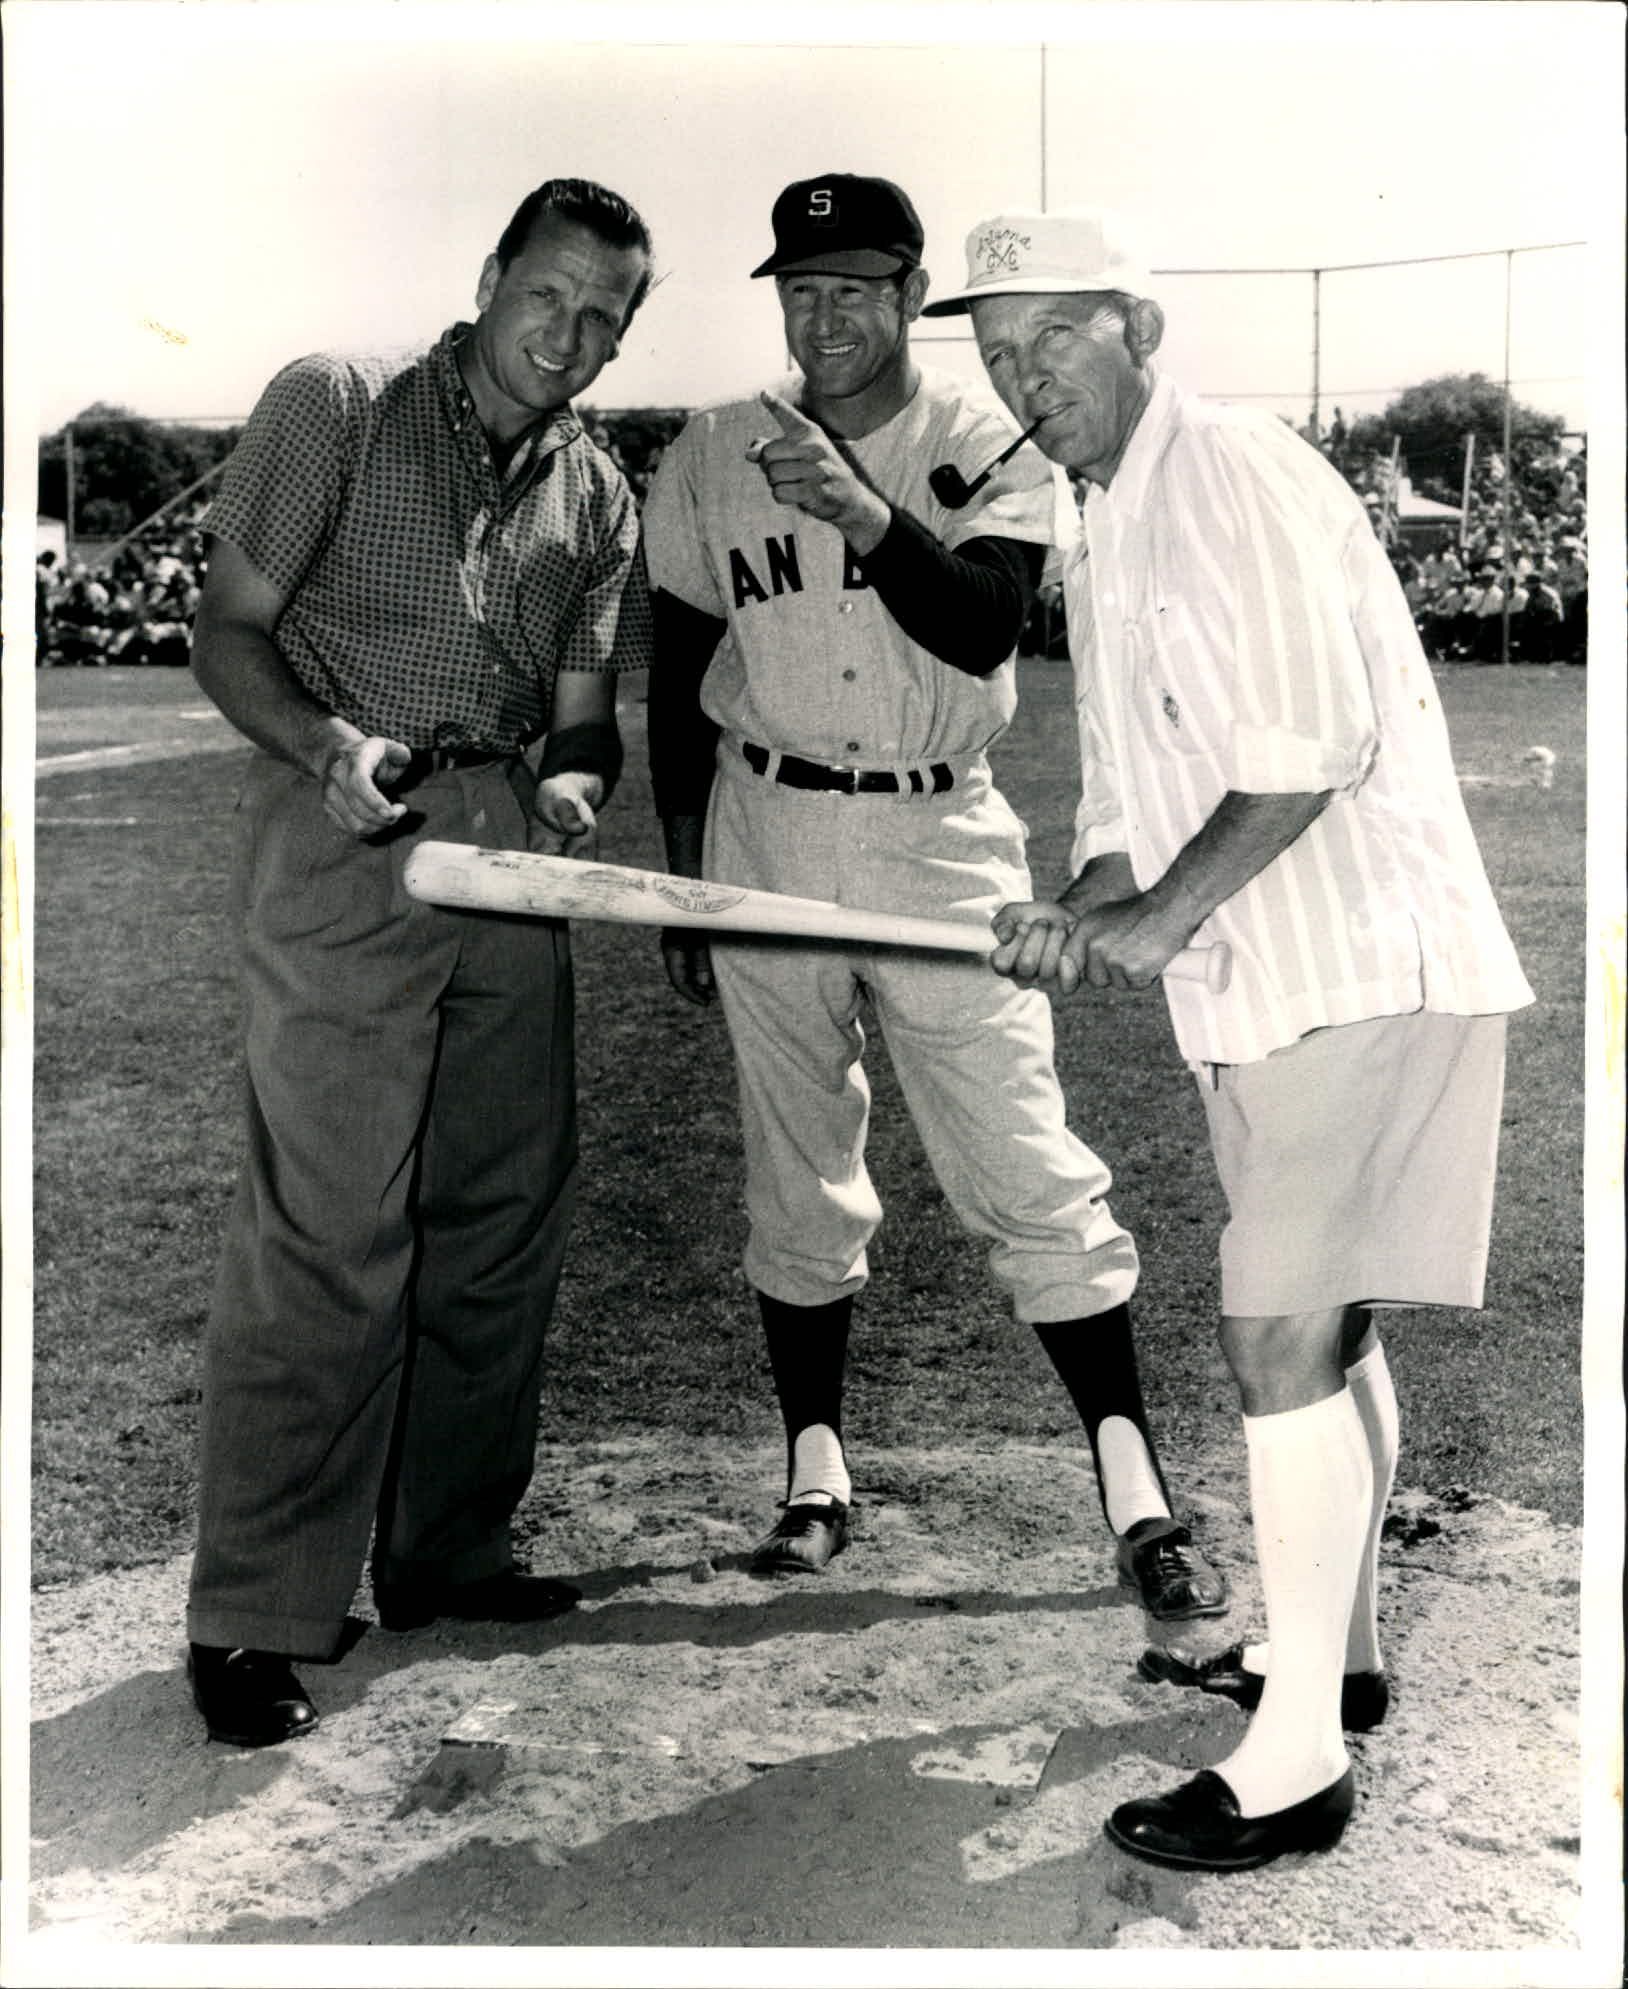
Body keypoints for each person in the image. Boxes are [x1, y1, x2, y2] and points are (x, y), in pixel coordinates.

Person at [924, 206, 1534, 1871]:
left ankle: (1294, 1763)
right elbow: (1137, 809)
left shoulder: (1234, 473)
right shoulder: (1102, 520)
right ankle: (1337, 1655)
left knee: (1275, 1340)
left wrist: (1156, 911)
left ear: (1139, 324)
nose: (1024, 376)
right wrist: (1085, 901)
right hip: (1267, 984)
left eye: (1054, 336)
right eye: (997, 354)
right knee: (1319, 1336)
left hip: (1351, 962)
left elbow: (1304, 749)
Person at [641, 173, 1226, 1622]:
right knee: (797, 1166)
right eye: (801, 287)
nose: (824, 314)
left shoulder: (985, 436)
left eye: (855, 286)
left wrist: (858, 507)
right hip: (760, 828)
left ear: (911, 299)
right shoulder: (715, 449)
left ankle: (1135, 1490)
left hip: (938, 828)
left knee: (1026, 1163)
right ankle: (817, 1469)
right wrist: (678, 878)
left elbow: (978, 631)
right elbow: (671, 670)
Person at [185, 177, 656, 1748]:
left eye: (607, 318)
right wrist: (326, 745)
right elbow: (227, 629)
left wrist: (577, 782)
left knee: (503, 1211)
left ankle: (449, 1549)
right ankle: (259, 1609)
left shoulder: (599, 492)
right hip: (344, 820)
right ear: (490, 275)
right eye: (553, 295)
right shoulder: (338, 403)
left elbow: (585, 713)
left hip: (503, 837)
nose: (572, 335)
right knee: (331, 1224)